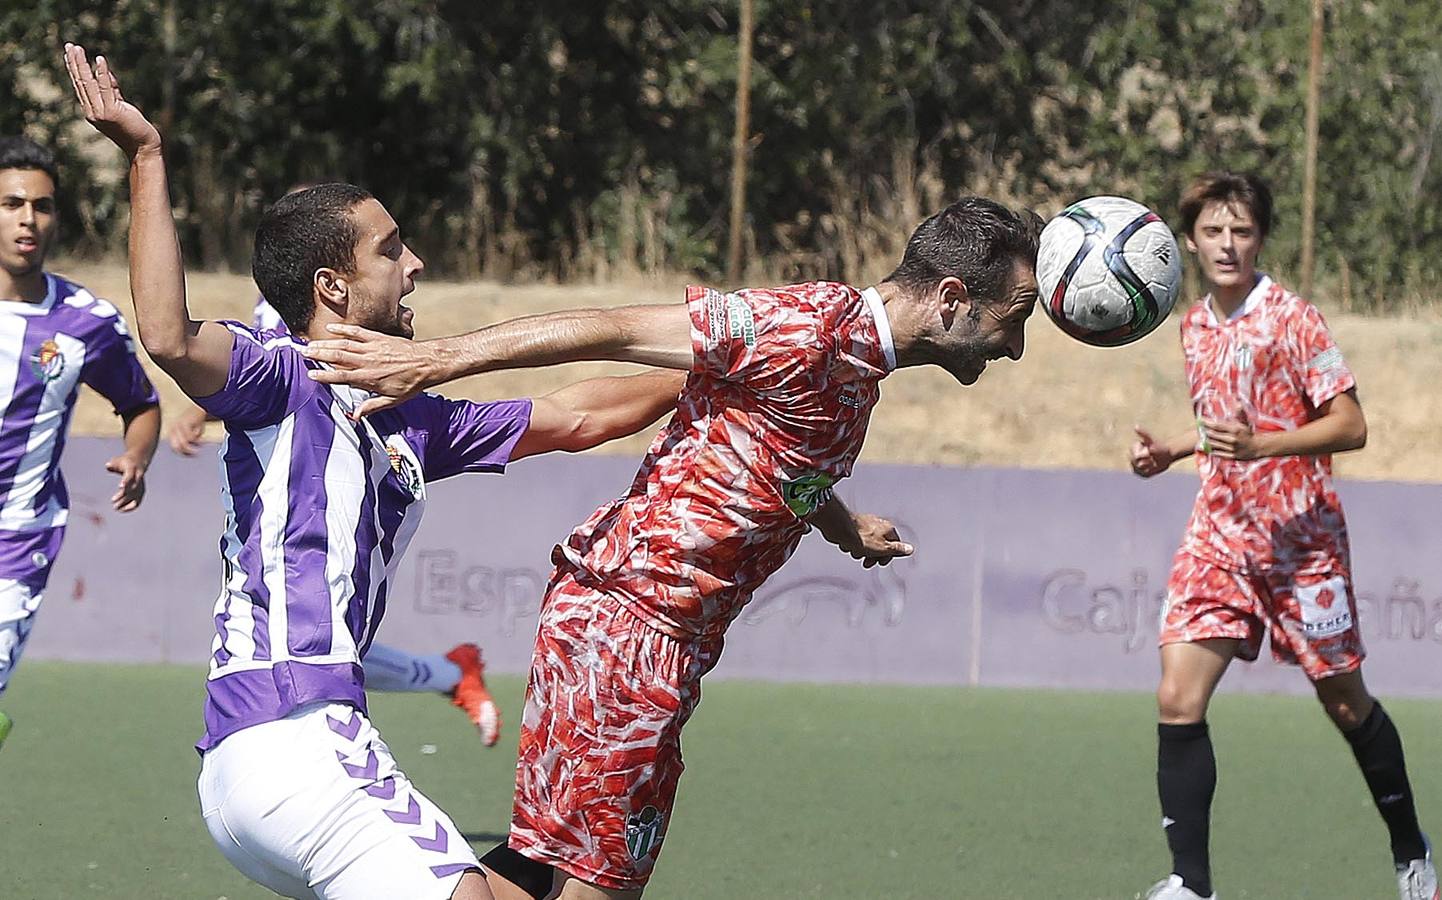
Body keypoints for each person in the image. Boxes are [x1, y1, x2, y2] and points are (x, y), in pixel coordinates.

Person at [66, 44, 683, 900]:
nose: (416, 262)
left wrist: (719, 360)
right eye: (393, 250)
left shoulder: (416, 417)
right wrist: (146, 157)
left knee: (552, 888)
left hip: (287, 762)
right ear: (333, 286)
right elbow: (168, 336)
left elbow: (581, 416)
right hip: (291, 736)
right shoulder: (281, 375)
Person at [303, 190, 1041, 897]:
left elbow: (778, 461)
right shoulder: (809, 324)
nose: (1016, 346)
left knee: (547, 865)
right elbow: (612, 326)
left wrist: (848, 527)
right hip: (629, 624)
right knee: (600, 882)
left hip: (650, 634)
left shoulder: (855, 370)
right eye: (1015, 317)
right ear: (950, 298)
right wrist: (434, 360)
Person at [1129, 172, 1436, 900]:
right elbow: (1221, 424)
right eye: (1213, 232)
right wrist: (1174, 449)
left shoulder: (1295, 319)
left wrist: (1263, 446)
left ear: (1260, 237)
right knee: (1178, 696)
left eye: (1241, 231)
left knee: (1343, 702)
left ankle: (1410, 850)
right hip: (1221, 537)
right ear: (1193, 241)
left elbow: (1351, 425)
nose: (1227, 245)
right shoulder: (1194, 324)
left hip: (1303, 543)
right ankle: (1191, 884)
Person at [171, 292, 506, 746]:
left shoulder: (320, 268)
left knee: (313, 625)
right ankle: (448, 672)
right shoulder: (282, 273)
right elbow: (277, 370)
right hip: (297, 440)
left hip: (334, 448)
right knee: (312, 630)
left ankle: (447, 672)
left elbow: (312, 365)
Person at [0, 134, 161, 750]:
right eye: (13, 203)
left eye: (41, 206)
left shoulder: (86, 320)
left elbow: (140, 404)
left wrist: (137, 456)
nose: (28, 220)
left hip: (18, 542)